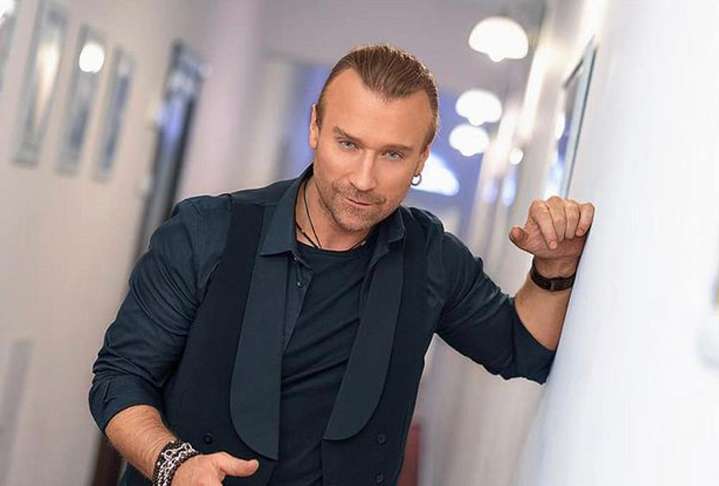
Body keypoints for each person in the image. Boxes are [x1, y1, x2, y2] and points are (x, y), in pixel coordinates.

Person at [89, 43, 595, 486]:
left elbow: (522, 349)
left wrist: (554, 265)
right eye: (348, 144)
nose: (363, 179)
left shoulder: (432, 257)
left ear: (422, 158)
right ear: (315, 127)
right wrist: (174, 464)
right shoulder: (206, 231)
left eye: (393, 155)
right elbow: (120, 377)